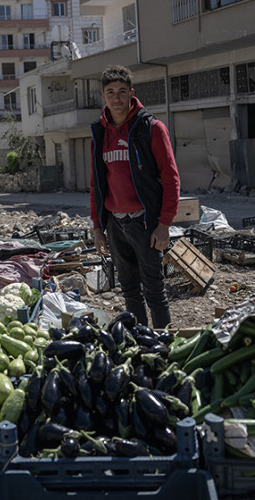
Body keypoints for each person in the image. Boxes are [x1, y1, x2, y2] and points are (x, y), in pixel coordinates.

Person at [89, 65, 180, 329]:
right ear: (103, 96)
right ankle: (139, 343)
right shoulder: (99, 133)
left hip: (145, 223)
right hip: (116, 225)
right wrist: (98, 228)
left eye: (121, 91)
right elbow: (96, 185)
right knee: (129, 291)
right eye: (110, 92)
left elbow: (171, 178)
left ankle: (163, 343)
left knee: (154, 290)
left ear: (131, 93)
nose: (116, 98)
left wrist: (164, 224)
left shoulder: (151, 128)